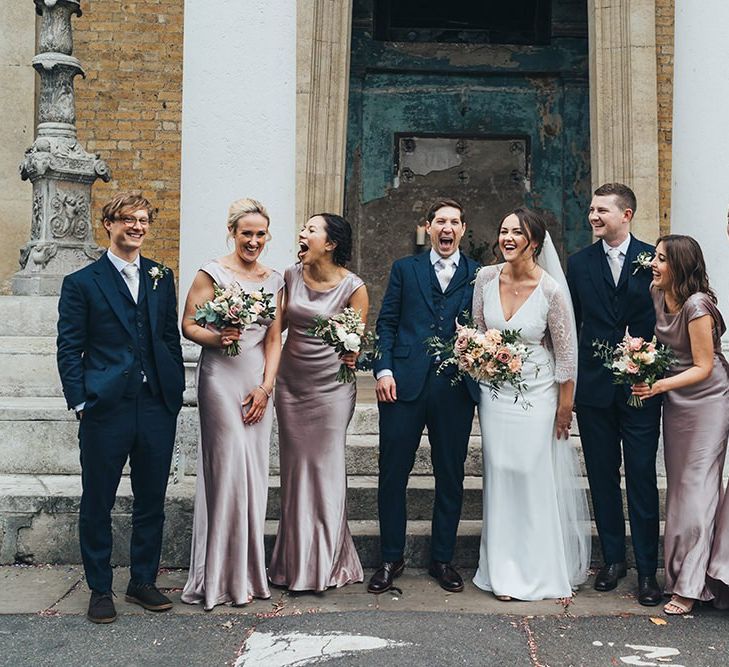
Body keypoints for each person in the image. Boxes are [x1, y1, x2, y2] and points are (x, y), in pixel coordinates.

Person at [56, 192, 185, 623]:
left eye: (144, 219)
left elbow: (168, 336)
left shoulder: (161, 276)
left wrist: (173, 391)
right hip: (105, 407)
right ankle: (99, 588)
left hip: (154, 406)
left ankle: (142, 581)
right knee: (98, 500)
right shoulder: (82, 283)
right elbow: (69, 347)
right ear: (108, 224)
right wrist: (81, 400)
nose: (137, 226)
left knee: (152, 498)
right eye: (128, 219)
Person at [471, 208, 590, 600]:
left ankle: (538, 568)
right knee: (501, 472)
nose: (507, 238)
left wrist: (564, 407)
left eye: (516, 232)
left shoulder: (552, 290)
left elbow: (567, 354)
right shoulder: (485, 278)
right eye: (503, 230)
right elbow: (477, 332)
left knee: (529, 473)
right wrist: (478, 356)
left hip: (538, 394)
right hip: (495, 393)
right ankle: (501, 570)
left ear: (534, 242)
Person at [368, 198, 480, 595]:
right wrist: (382, 369)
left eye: (454, 221)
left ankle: (442, 558)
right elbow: (387, 322)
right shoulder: (405, 269)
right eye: (440, 222)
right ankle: (390, 556)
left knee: (450, 475)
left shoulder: (479, 276)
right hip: (402, 385)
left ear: (463, 229)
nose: (446, 228)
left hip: (454, 391)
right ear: (428, 227)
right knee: (392, 473)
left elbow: (484, 330)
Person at [180, 199, 283, 610]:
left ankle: (247, 574)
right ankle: (216, 577)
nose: (253, 241)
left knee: (254, 475)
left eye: (260, 234)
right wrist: (217, 336)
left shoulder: (275, 279)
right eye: (246, 234)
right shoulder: (213, 272)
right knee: (226, 472)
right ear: (233, 233)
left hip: (256, 378)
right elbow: (188, 324)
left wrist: (266, 387)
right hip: (220, 379)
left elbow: (274, 338)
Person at [566, 183, 662, 606]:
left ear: (626, 215)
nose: (593, 216)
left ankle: (646, 570)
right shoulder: (579, 262)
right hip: (594, 391)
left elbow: (668, 317)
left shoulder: (654, 261)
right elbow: (570, 326)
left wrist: (657, 371)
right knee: (602, 477)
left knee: (640, 476)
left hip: (641, 388)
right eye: (590, 209)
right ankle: (612, 561)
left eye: (601, 210)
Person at [268, 213, 367, 591]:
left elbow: (354, 340)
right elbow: (275, 332)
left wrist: (353, 353)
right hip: (292, 385)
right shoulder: (288, 277)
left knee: (325, 470)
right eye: (303, 228)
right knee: (295, 474)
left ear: (331, 243)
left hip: (332, 388)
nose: (301, 233)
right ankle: (293, 564)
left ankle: (326, 563)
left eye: (311, 230)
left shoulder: (354, 287)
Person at [632, 235, 729, 615]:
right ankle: (689, 575)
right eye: (655, 257)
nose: (653, 264)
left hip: (707, 401)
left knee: (697, 490)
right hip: (675, 401)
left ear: (680, 265)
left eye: (660, 259)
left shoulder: (697, 305)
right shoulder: (659, 294)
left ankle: (690, 586)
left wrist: (657, 385)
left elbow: (704, 366)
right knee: (681, 490)